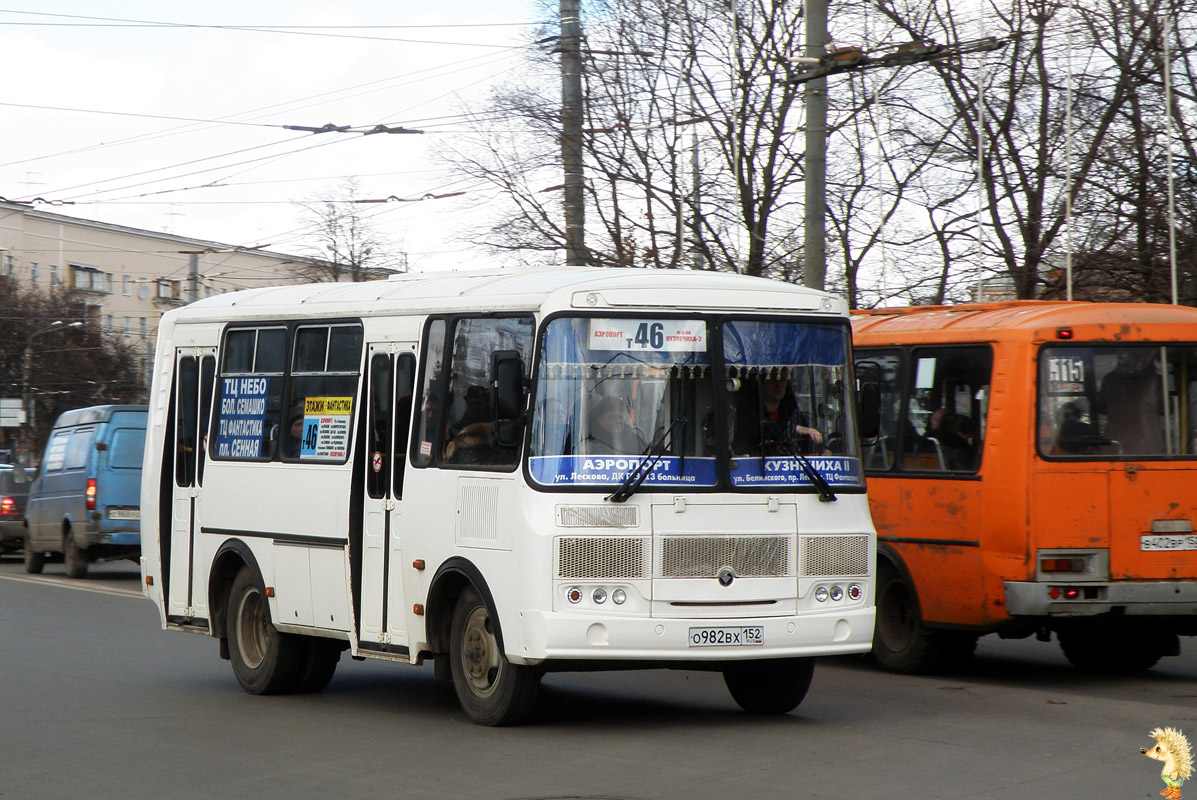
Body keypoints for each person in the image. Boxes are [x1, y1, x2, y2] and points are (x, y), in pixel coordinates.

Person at [733, 375, 824, 456]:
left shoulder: (792, 413)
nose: (779, 386)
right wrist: (797, 429)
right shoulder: (748, 412)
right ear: (762, 384)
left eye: (783, 381)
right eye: (773, 380)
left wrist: (825, 450)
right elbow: (762, 429)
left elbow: (810, 440)